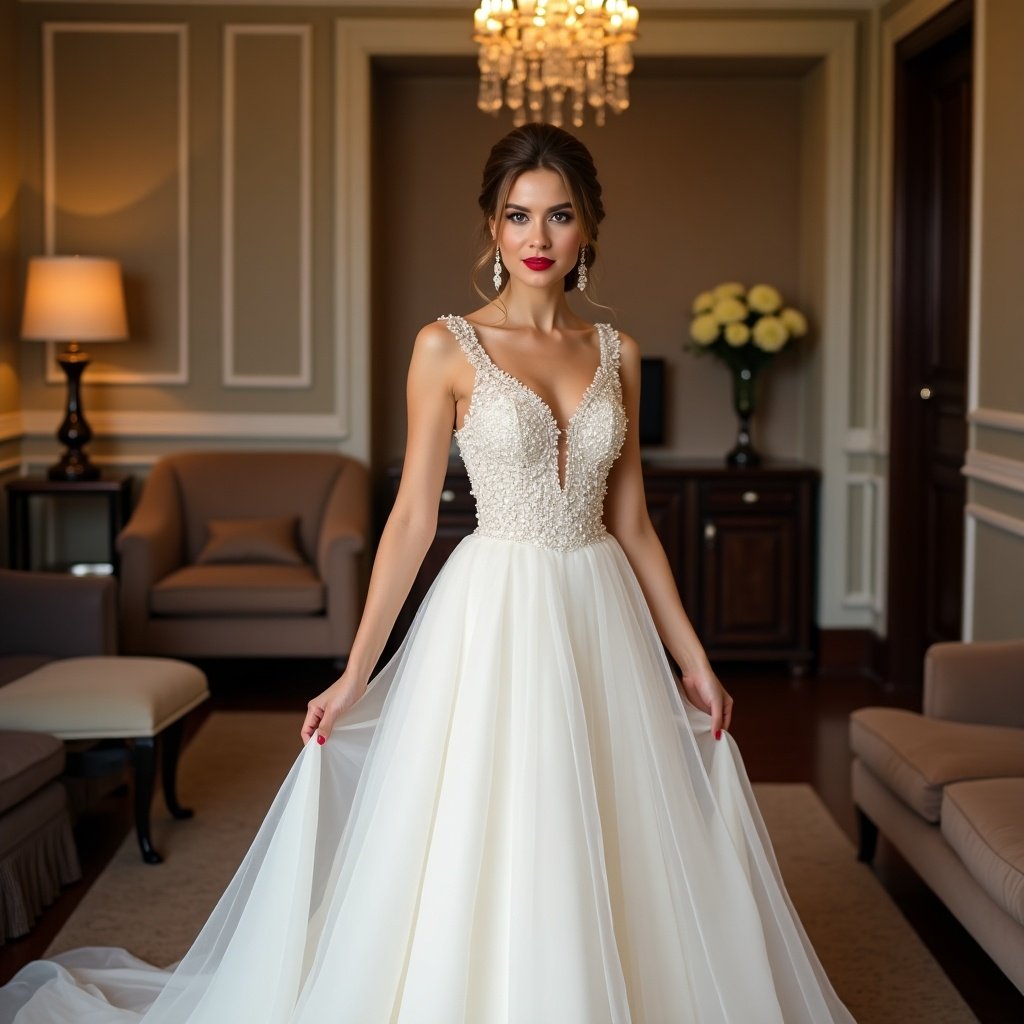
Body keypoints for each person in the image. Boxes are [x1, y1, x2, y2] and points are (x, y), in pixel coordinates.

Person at [0, 123, 855, 1023]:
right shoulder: (446, 347)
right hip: (497, 609)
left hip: (599, 606)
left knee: (610, 818)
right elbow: (410, 520)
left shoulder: (619, 354)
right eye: (518, 216)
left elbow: (633, 523)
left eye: (559, 216)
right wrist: (355, 672)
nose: (538, 237)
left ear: (588, 228)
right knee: (493, 819)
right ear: (491, 227)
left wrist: (696, 660)